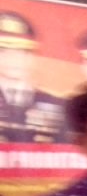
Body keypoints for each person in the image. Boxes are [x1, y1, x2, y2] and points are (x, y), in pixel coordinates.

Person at [0, 10, 66, 144]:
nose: (13, 59)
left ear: (33, 56)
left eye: (22, 52)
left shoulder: (55, 105)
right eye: (4, 51)